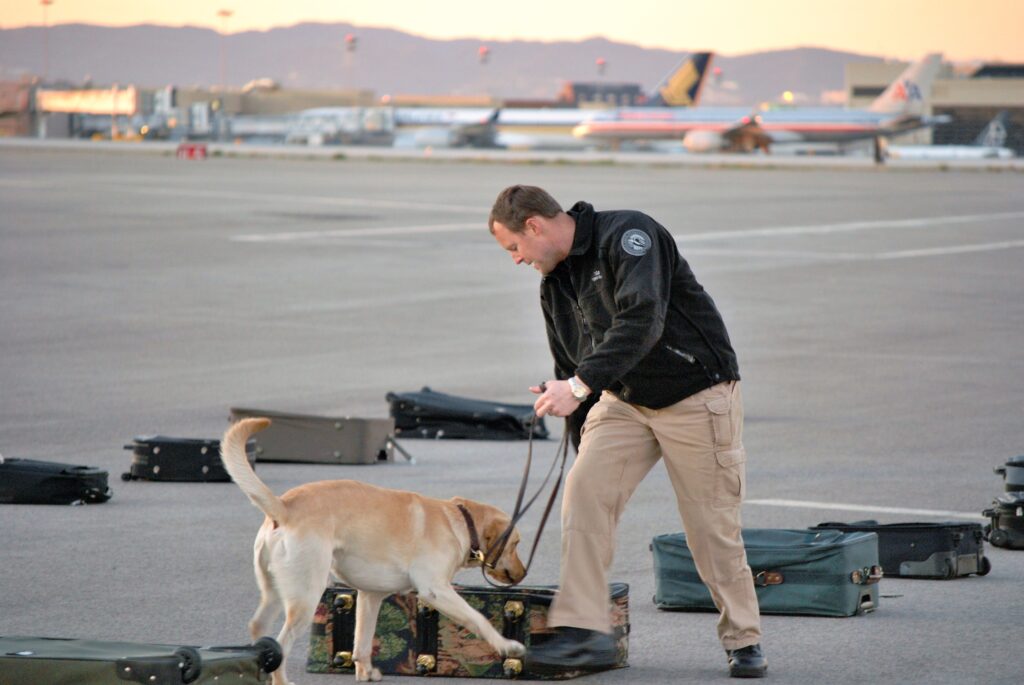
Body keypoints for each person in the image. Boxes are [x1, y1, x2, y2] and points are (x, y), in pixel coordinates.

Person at [488, 185, 767, 679]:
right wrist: (578, 423)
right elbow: (571, 364)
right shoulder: (554, 283)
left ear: (534, 226)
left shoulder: (628, 234)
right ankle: (584, 632)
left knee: (709, 527)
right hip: (624, 400)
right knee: (585, 491)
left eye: (514, 247)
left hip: (695, 394)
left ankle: (743, 639)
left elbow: (643, 320)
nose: (516, 259)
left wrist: (578, 385)